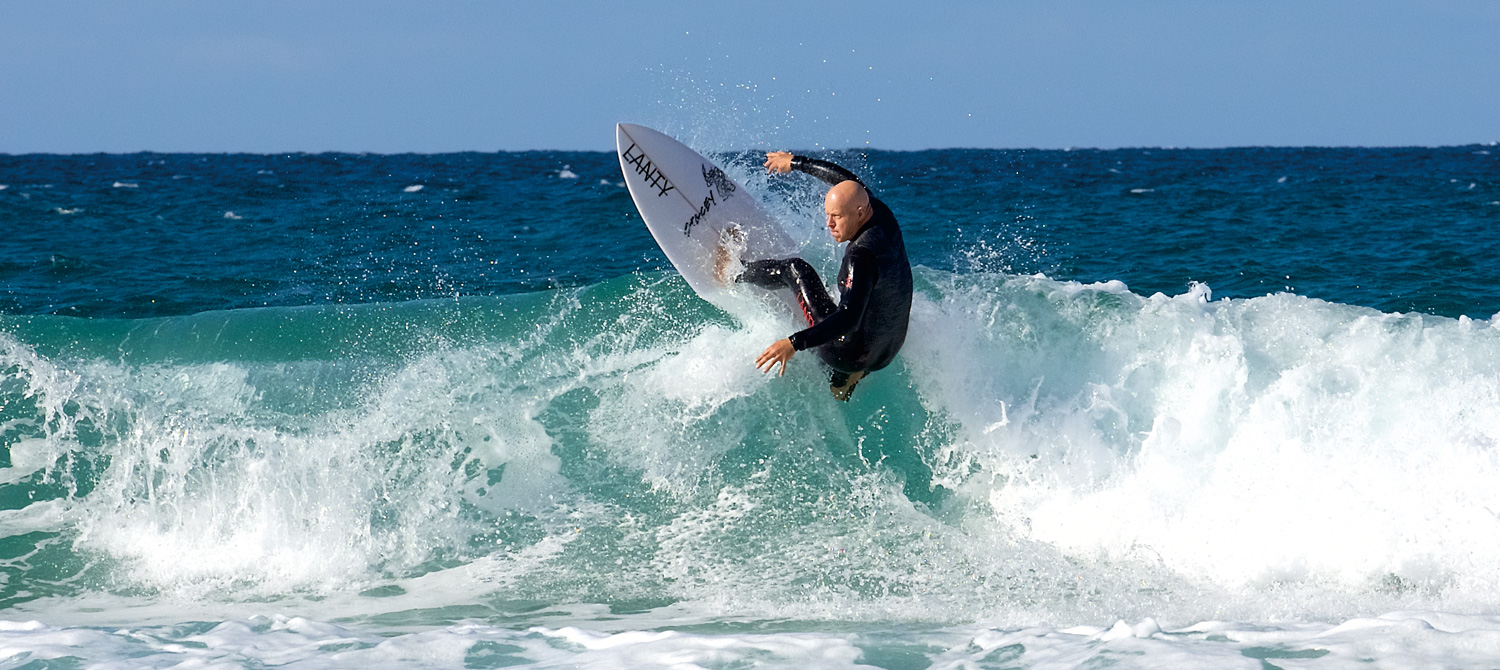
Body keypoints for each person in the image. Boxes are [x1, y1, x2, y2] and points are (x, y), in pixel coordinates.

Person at [732, 151, 913, 401]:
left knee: (795, 269)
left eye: (837, 217)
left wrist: (793, 343)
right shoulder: (882, 214)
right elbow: (847, 181)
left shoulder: (861, 256)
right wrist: (796, 162)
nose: (829, 224)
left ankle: (735, 272)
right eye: (827, 214)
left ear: (860, 213)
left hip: (847, 354)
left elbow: (849, 318)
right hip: (888, 350)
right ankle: (854, 375)